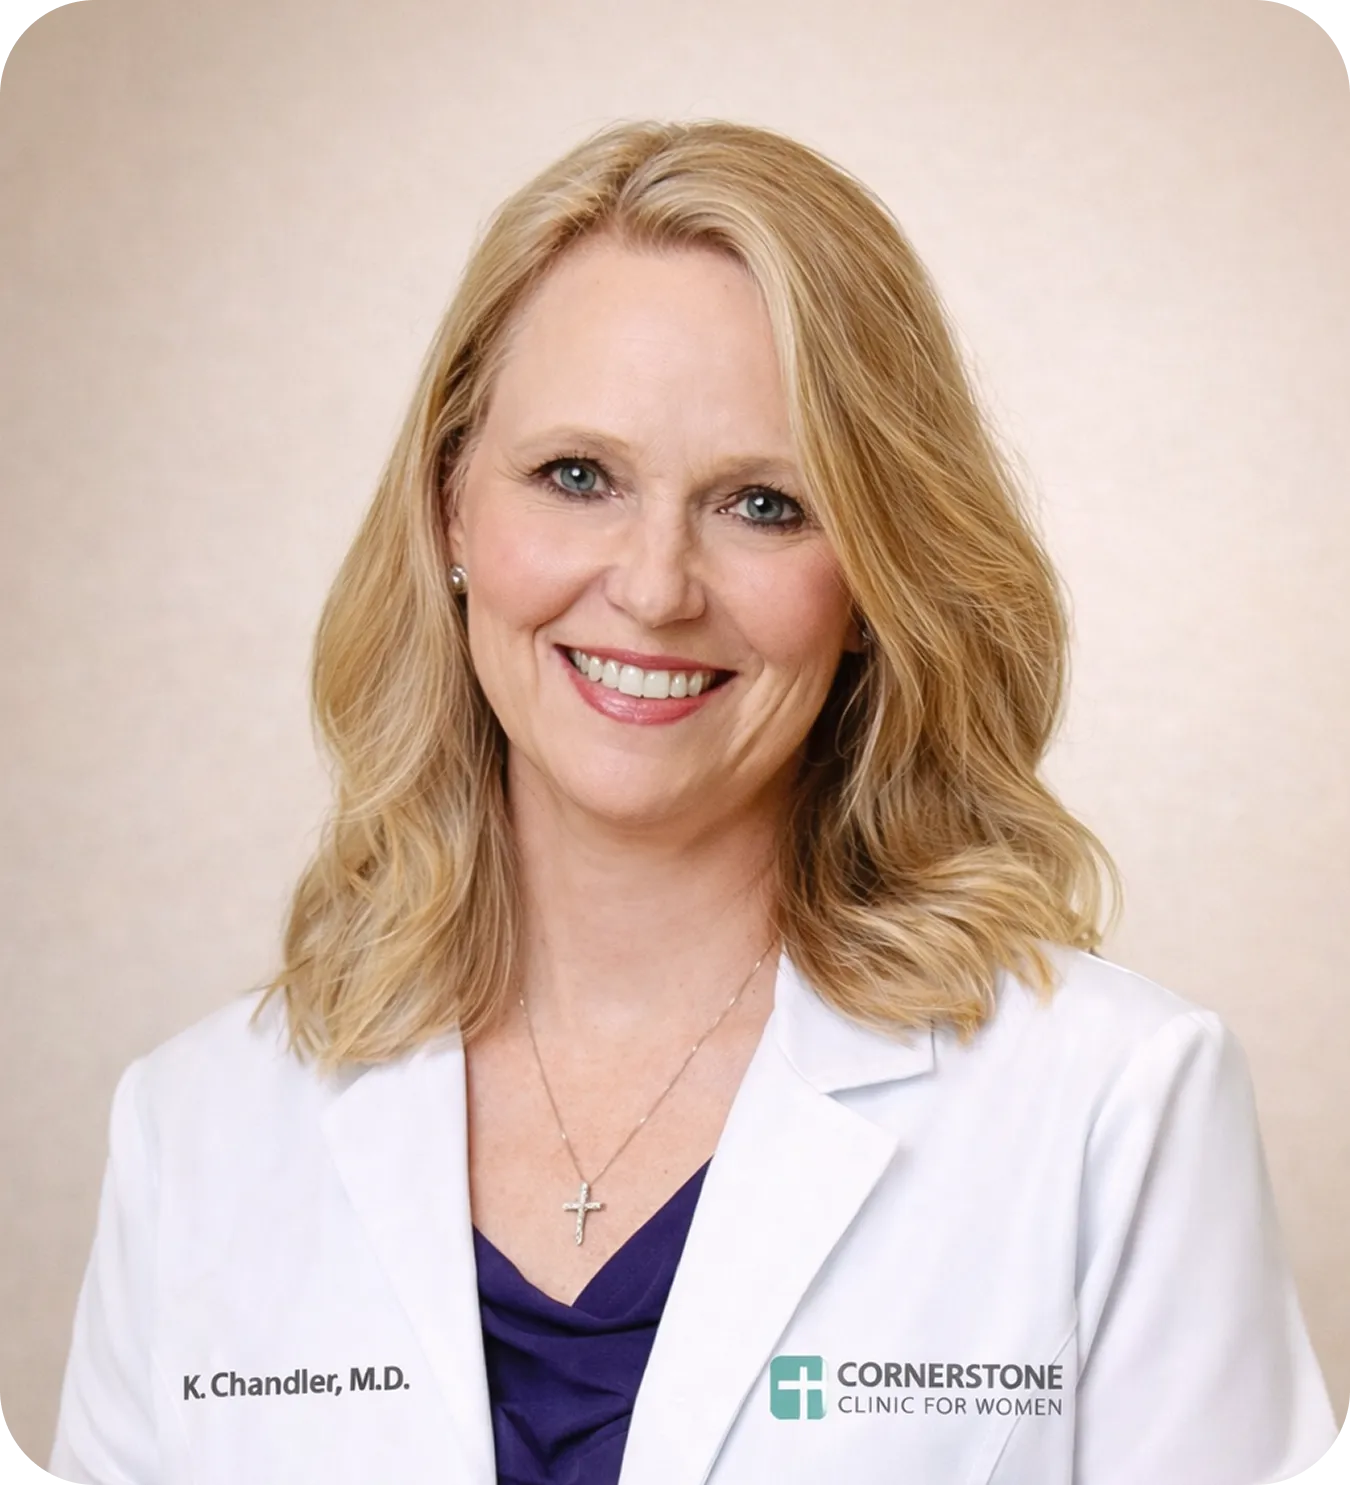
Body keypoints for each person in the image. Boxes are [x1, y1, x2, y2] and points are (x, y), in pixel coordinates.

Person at [49, 119, 1336, 1485]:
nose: (655, 587)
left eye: (765, 504)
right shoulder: (196, 1129)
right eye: (576, 477)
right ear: (449, 515)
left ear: (870, 582)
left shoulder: (1109, 1106)